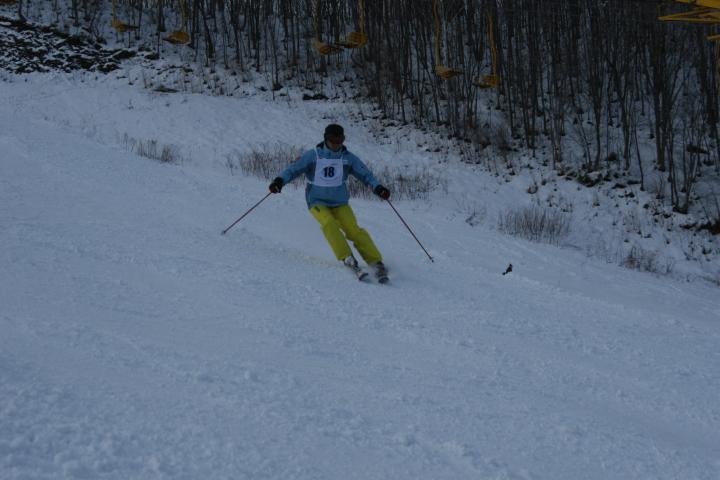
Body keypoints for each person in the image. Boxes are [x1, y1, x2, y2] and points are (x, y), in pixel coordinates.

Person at [268, 124, 390, 281]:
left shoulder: (347, 158)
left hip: (340, 202)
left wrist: (378, 188)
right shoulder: (313, 155)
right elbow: (293, 170)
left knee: (353, 230)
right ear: (326, 139)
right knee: (329, 224)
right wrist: (279, 181)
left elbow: (366, 175)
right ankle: (347, 257)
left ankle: (376, 262)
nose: (336, 144)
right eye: (333, 140)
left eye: (340, 140)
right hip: (317, 201)